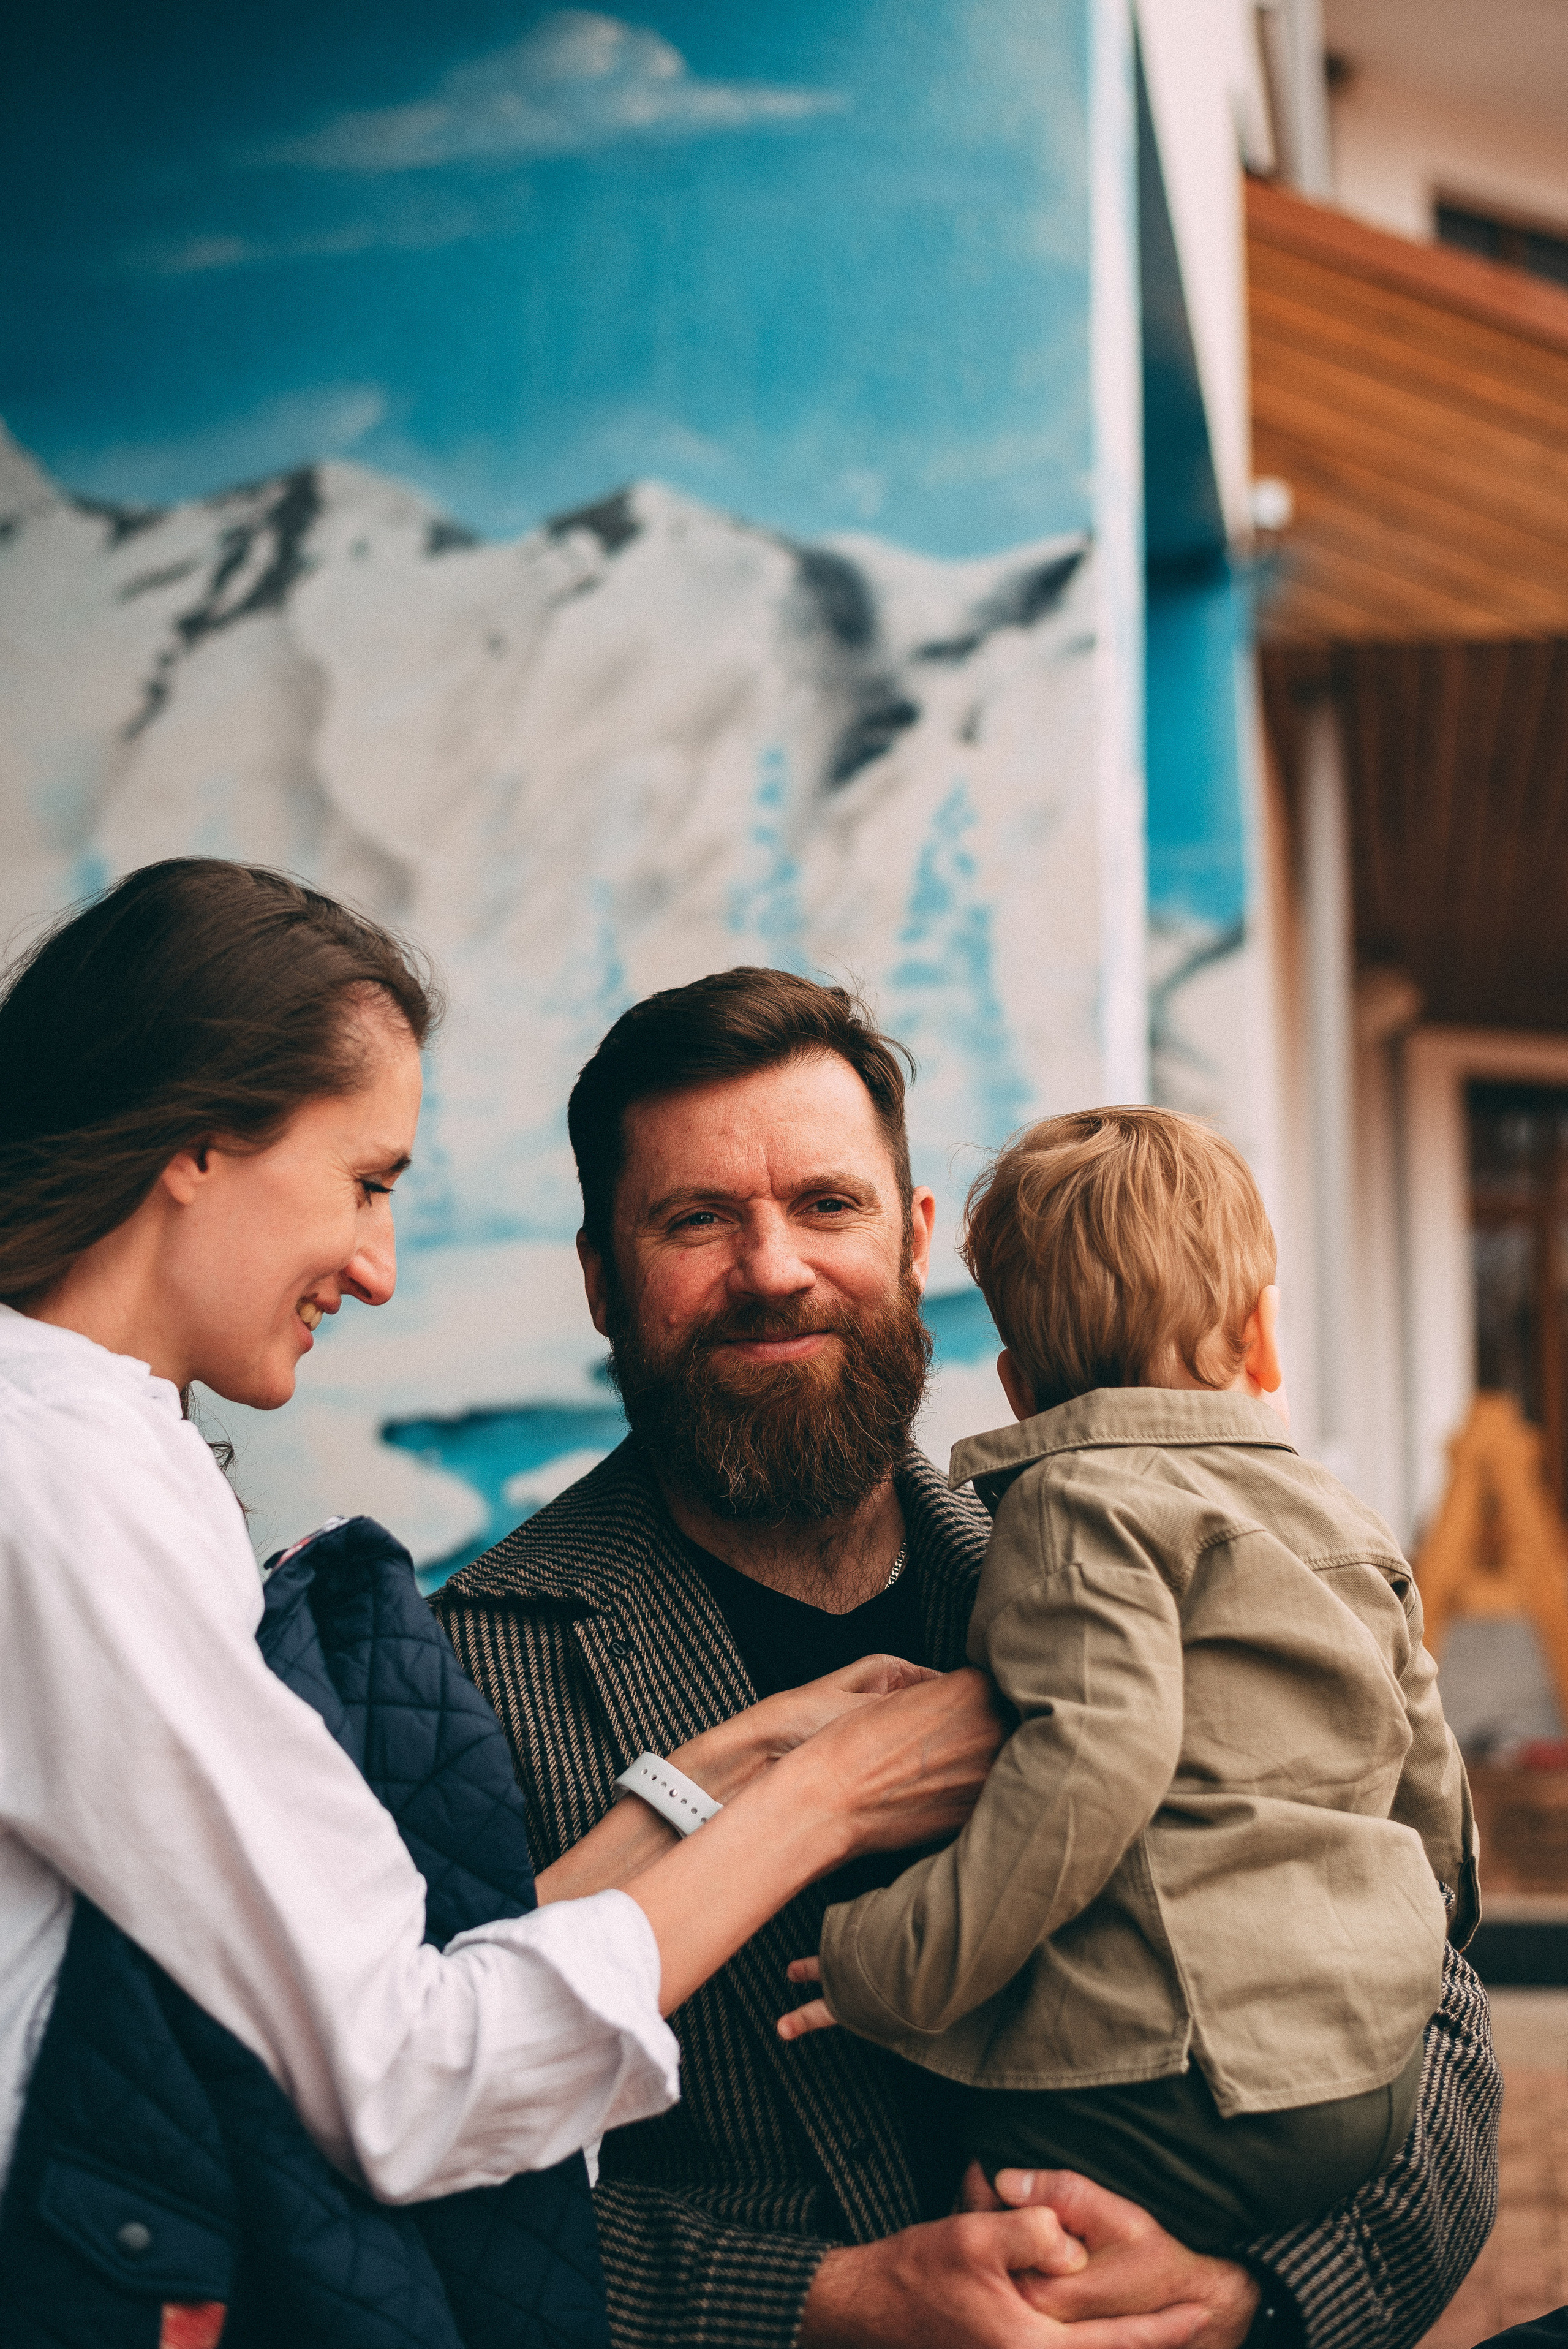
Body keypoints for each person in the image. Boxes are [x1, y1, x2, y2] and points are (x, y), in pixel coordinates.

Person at [432, 966, 1503, 2349]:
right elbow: (412, 2184)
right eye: (696, 1221)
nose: (773, 1269)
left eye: (827, 1206)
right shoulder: (475, 1675)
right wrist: (825, 2304)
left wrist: (1252, 2300)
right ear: (601, 1281)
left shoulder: (1114, 1555)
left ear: (916, 1241)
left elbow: (1425, 1990)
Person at [0, 861, 1005, 2243]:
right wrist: (819, 1798)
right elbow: (399, 2078)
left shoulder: (103, 1458)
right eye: (363, 1182)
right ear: (197, 1145)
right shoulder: (57, 1485)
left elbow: (366, 1989)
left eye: (827, 1206)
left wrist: (707, 1784)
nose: (379, 1265)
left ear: (912, 1244)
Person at [782, 1106, 1476, 2255]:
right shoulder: (1341, 1515)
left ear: (1015, 1385)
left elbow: (1091, 1766)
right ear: (1262, 1340)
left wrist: (892, 1964)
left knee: (987, 2235)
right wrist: (1416, 1935)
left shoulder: (1077, 1506)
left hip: (1173, 2080)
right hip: (1373, 2072)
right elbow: (1428, 1770)